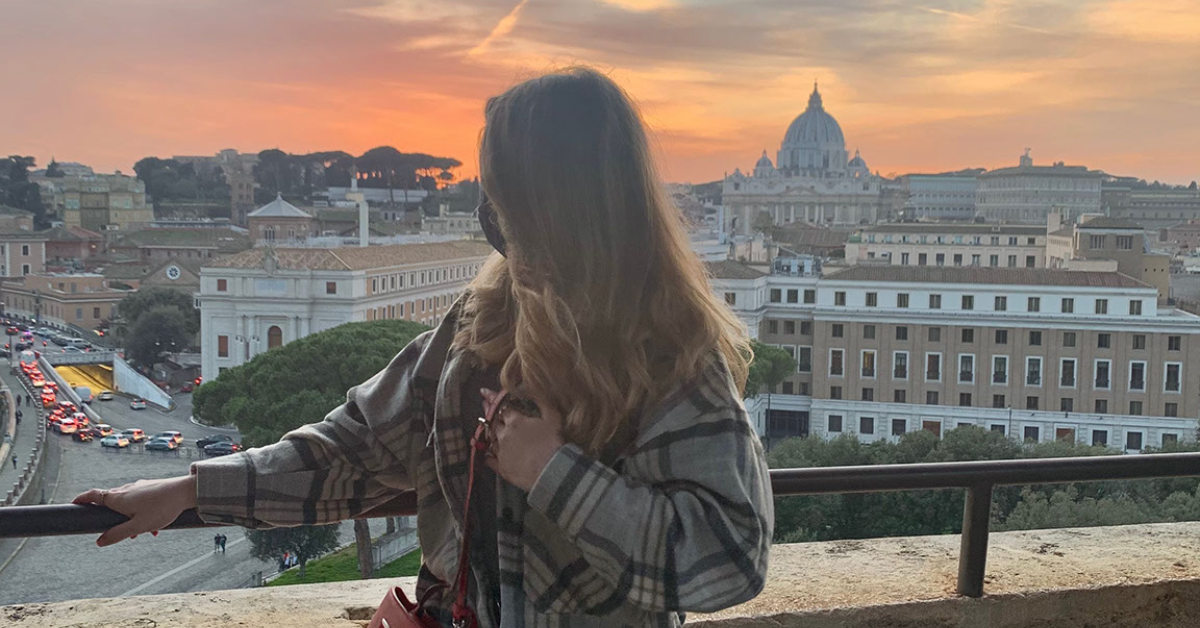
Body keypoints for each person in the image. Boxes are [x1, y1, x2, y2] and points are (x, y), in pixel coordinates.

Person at [73, 67, 772, 628]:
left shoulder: (671, 353)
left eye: (504, 193)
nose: (493, 218)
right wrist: (193, 487)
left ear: (562, 200)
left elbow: (729, 561)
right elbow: (354, 447)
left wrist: (553, 471)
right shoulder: (478, 322)